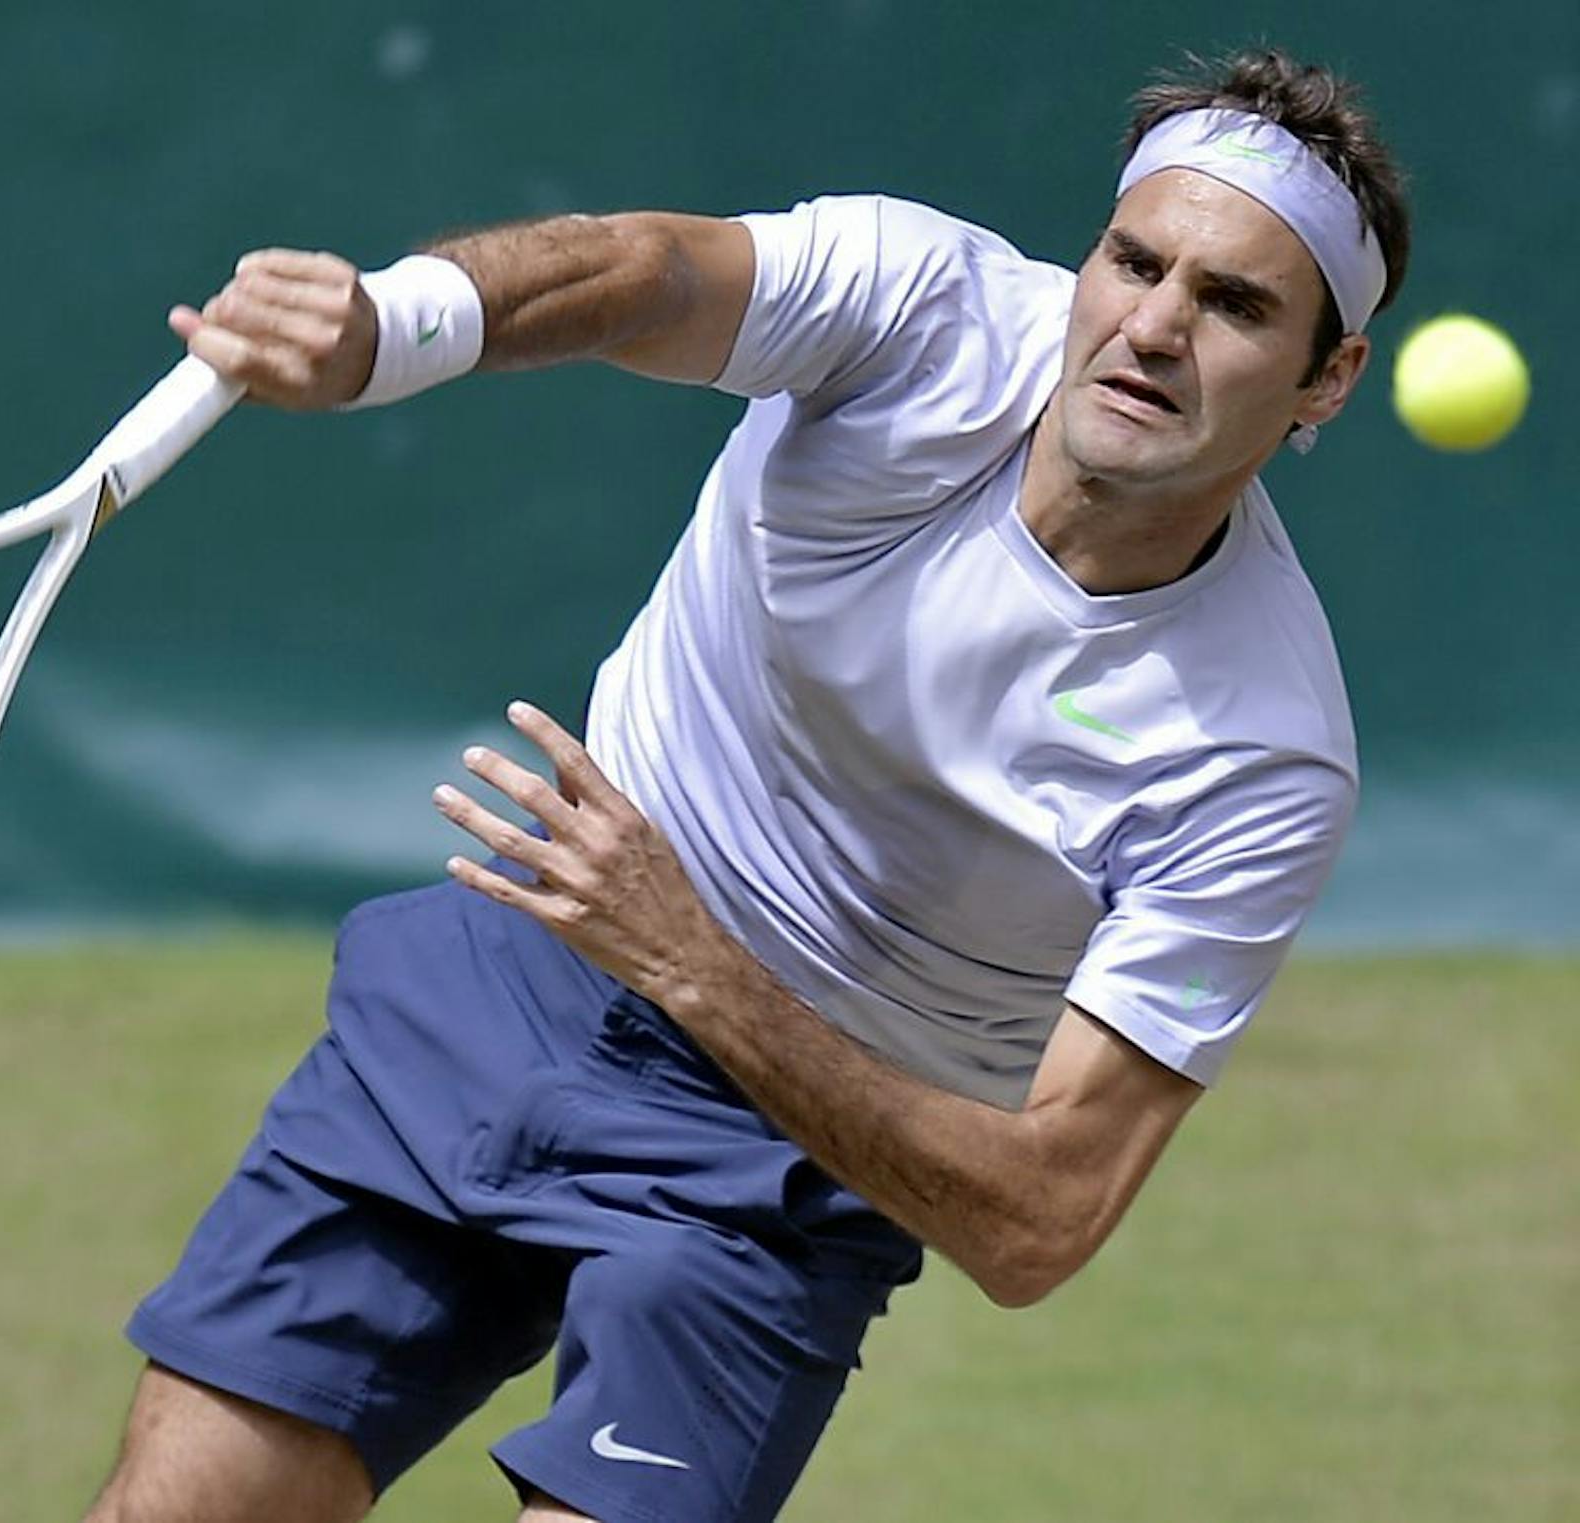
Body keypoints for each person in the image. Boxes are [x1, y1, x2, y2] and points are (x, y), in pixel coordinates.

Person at [84, 48, 1412, 1523]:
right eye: (1134, 262)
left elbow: (1044, 1219)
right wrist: (390, 326)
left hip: (783, 1169)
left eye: (1233, 306)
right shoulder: (925, 307)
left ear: (1328, 377)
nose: (1154, 328)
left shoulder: (1261, 754)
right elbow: (647, 271)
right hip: (513, 983)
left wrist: (694, 963)